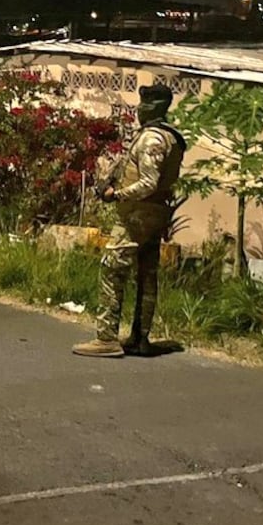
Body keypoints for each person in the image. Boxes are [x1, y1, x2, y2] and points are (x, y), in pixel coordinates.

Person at [74, 83, 186, 358]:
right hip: (156, 213)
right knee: (147, 274)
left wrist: (117, 194)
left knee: (112, 268)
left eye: (143, 105)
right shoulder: (172, 137)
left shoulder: (152, 139)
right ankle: (140, 338)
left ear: (150, 108)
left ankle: (107, 337)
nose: (139, 109)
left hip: (138, 214)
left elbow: (148, 182)